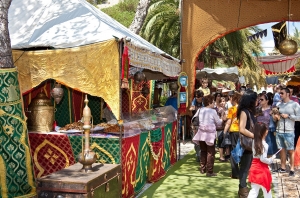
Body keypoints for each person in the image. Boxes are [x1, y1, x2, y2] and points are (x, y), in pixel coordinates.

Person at [192, 95, 225, 177]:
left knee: (203, 151)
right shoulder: (213, 111)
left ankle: (202, 168)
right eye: (213, 102)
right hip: (209, 134)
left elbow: (195, 119)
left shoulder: (200, 109)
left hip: (201, 133)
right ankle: (209, 171)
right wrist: (223, 118)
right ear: (210, 102)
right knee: (210, 152)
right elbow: (219, 122)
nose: (214, 103)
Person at [272, 87, 300, 177]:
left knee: (291, 150)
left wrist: (288, 116)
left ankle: (291, 169)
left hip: (289, 131)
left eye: (282, 93)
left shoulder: (295, 104)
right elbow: (275, 118)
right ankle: (283, 167)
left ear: (288, 94)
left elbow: (299, 117)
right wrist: (275, 117)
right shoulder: (279, 104)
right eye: (280, 93)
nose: (280, 95)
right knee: (281, 150)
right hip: (279, 130)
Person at [237, 90, 257, 198]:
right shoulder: (244, 111)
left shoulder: (249, 111)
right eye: (255, 99)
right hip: (246, 144)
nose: (256, 101)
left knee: (247, 167)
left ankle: (243, 188)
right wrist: (255, 136)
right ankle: (243, 190)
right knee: (244, 167)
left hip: (250, 144)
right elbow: (242, 129)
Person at [248, 122, 275, 198]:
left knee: (254, 191)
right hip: (262, 169)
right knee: (266, 190)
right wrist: (271, 159)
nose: (267, 131)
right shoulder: (264, 144)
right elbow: (263, 159)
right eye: (266, 129)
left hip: (254, 168)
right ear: (263, 132)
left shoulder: (254, 142)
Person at [223, 93, 241, 177]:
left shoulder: (232, 109)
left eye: (231, 98)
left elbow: (228, 121)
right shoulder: (242, 109)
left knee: (234, 150)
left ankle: (235, 172)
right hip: (242, 131)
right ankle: (242, 171)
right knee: (241, 150)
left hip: (234, 130)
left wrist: (224, 131)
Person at [257, 93, 277, 157]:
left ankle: (268, 165)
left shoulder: (272, 109)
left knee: (269, 150)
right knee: (258, 150)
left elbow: (276, 120)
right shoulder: (257, 109)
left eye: (262, 99)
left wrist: (273, 115)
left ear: (267, 100)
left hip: (268, 132)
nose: (260, 101)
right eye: (259, 99)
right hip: (258, 131)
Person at [190, 90, 204, 162]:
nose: (197, 98)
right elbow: (190, 110)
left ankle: (201, 154)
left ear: (202, 97)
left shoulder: (204, 102)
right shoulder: (194, 101)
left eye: (198, 97)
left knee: (202, 140)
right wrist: (191, 109)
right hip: (195, 123)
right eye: (196, 97)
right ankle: (198, 154)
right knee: (195, 140)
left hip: (203, 124)